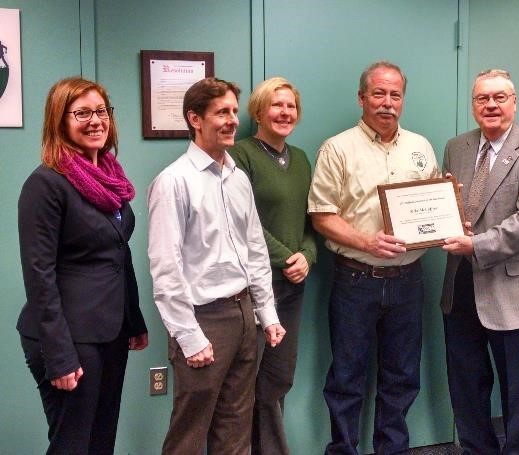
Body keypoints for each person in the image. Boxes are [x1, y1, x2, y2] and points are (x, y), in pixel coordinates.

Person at [147, 77, 286, 455]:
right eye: (221, 112)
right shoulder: (174, 182)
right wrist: (188, 337)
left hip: (244, 317)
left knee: (235, 427)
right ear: (195, 118)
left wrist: (267, 315)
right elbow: (165, 267)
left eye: (234, 112)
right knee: (189, 434)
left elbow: (255, 250)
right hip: (203, 319)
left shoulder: (237, 178)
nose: (232, 121)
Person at [308, 60, 439, 454]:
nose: (387, 103)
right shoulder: (337, 148)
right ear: (362, 98)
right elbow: (320, 214)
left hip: (408, 281)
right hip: (355, 280)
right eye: (378, 94)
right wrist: (367, 242)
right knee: (347, 377)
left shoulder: (420, 147)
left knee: (402, 377)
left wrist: (446, 213)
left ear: (403, 99)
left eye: (395, 94)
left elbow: (432, 206)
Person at [17, 76, 148, 454]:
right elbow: (38, 275)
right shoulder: (46, 184)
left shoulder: (111, 179)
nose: (96, 120)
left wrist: (133, 319)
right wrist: (59, 356)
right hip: (68, 336)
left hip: (111, 329)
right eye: (82, 113)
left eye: (101, 111)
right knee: (72, 444)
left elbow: (117, 253)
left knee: (101, 440)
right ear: (60, 121)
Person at [440, 69, 519, 454]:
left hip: (516, 290)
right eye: (482, 99)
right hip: (461, 287)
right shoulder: (456, 146)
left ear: (514, 102)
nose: (490, 105)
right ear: (473, 104)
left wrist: (473, 244)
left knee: (518, 393)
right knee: (466, 384)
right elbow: (447, 203)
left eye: (499, 98)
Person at [231, 77, 317, 455]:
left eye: (291, 106)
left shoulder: (300, 159)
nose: (285, 113)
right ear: (258, 112)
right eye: (276, 105)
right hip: (252, 287)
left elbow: (310, 222)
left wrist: (307, 257)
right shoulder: (240, 156)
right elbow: (242, 223)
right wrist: (287, 257)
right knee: (247, 379)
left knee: (279, 376)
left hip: (293, 286)